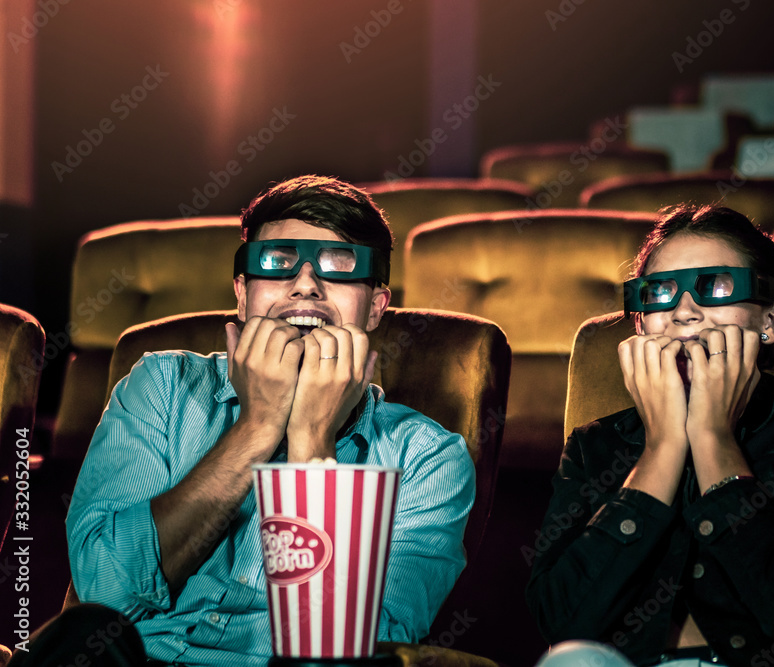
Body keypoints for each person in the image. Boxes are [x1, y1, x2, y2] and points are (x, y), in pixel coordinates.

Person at [28, 175, 474, 666]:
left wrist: (312, 441)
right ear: (243, 295)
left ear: (374, 307)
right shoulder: (162, 384)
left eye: (340, 266)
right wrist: (256, 428)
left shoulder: (428, 459)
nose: (305, 284)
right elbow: (102, 596)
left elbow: (353, 654)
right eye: (278, 263)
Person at [525, 204, 774, 667]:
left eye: (718, 286)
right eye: (661, 292)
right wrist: (663, 446)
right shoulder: (596, 444)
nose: (685, 312)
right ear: (640, 322)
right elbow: (561, 621)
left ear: (771, 321)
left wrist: (712, 436)